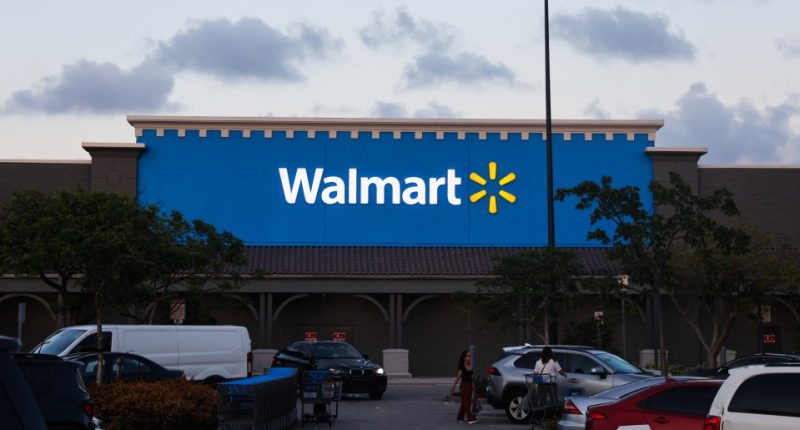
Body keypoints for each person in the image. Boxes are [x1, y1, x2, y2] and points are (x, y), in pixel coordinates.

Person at [531, 346, 565, 421]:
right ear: (550, 353)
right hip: (551, 385)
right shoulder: (553, 361)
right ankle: (551, 418)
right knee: (553, 402)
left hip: (541, 384)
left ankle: (538, 418)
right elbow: (561, 371)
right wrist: (564, 373)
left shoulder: (538, 362)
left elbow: (535, 374)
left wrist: (533, 384)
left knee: (542, 402)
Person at [451, 350, 479, 424]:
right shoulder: (462, 366)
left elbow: (472, 377)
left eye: (470, 355)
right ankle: (471, 419)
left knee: (464, 403)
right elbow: (458, 377)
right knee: (467, 403)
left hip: (470, 385)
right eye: (468, 356)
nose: (469, 357)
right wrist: (453, 386)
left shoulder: (470, 365)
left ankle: (460, 418)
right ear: (464, 357)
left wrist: (474, 386)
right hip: (464, 386)